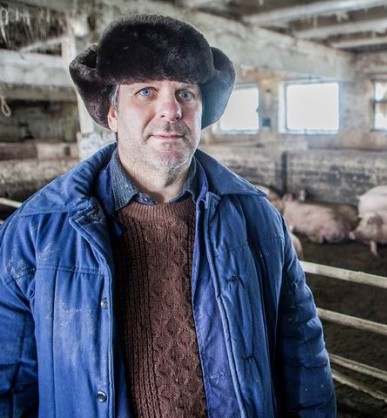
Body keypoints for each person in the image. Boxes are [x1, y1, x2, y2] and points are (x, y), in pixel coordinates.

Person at [0, 14, 336, 417]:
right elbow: (10, 383)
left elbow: (302, 355)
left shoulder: (258, 219)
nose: (171, 109)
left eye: (186, 93)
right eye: (145, 91)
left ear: (201, 111)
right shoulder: (36, 233)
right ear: (111, 113)